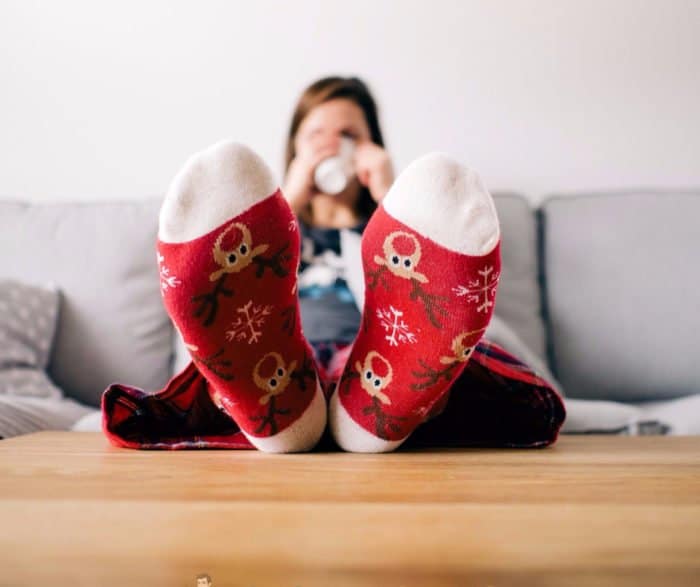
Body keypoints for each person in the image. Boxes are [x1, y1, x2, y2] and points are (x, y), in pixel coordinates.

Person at [102, 76, 565, 454]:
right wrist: (289, 199)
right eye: (317, 137)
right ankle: (300, 411)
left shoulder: (401, 231)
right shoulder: (268, 233)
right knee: (241, 366)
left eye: (350, 137)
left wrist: (390, 194)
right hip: (277, 355)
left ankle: (354, 413)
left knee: (432, 366)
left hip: (381, 355)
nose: (333, 147)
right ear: (295, 152)